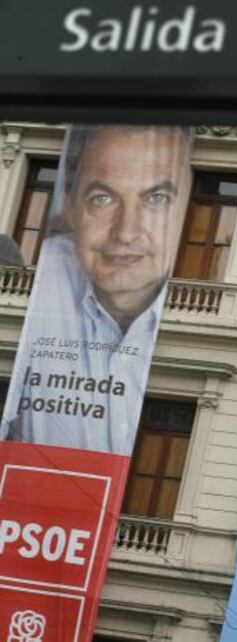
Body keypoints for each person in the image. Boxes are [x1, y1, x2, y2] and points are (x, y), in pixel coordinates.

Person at [0, 125, 191, 454]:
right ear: (69, 206)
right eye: (102, 199)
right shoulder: (48, 283)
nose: (126, 232)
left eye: (156, 198)